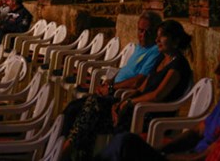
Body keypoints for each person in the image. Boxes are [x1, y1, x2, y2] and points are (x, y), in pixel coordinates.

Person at [98, 40, 220, 160]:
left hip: (188, 153)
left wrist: (167, 157)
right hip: (184, 153)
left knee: (125, 143)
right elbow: (198, 131)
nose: (216, 71)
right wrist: (162, 149)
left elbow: (206, 156)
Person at [62, 19, 192, 161]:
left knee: (91, 113)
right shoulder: (162, 59)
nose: (157, 39)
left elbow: (157, 95)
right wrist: (121, 102)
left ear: (175, 40)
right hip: (134, 107)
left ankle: (67, 151)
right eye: (157, 36)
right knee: (86, 110)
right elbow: (142, 88)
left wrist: (128, 102)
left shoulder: (178, 66)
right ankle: (74, 153)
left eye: (162, 36)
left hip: (147, 115)